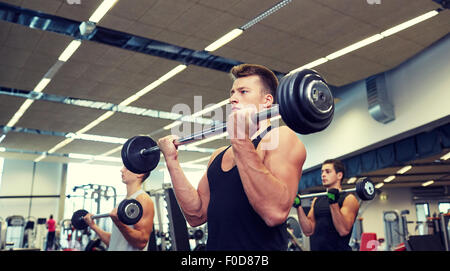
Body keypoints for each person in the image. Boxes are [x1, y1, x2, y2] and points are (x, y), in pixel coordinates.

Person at [158, 64, 306, 250]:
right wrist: (172, 162)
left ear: (267, 101)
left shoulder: (281, 138)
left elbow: (274, 212)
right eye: (232, 92)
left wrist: (239, 138)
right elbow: (196, 215)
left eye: (243, 92)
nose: (232, 99)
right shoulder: (218, 155)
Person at [294, 159, 360, 251]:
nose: (323, 175)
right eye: (322, 172)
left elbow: (343, 230)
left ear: (339, 175)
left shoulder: (349, 199)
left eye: (328, 172)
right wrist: (298, 207)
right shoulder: (317, 200)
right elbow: (308, 231)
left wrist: (333, 203)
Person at [83, 166, 154, 251]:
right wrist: (93, 226)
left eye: (127, 168)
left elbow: (141, 242)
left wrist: (118, 222)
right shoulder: (122, 202)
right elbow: (113, 242)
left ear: (140, 174)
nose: (122, 170)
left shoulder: (143, 199)